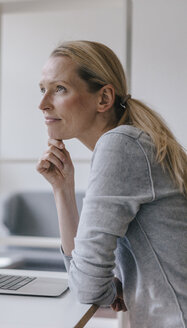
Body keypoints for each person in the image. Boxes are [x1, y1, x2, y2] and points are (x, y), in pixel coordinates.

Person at [36, 40, 187, 327]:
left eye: (60, 89)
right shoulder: (133, 141)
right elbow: (89, 282)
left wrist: (106, 286)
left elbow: (89, 288)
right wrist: (62, 190)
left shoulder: (120, 145)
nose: (43, 104)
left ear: (104, 98)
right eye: (43, 89)